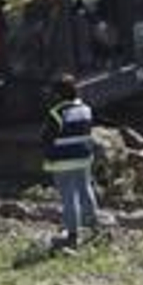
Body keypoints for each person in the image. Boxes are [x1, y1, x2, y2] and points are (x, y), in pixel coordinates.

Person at [42, 76, 99, 250]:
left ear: (58, 95)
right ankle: (93, 227)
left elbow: (46, 138)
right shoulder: (86, 109)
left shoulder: (56, 113)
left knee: (68, 197)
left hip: (63, 162)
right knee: (86, 191)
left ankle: (72, 235)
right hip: (83, 159)